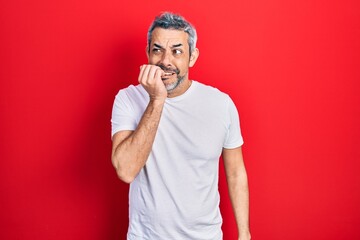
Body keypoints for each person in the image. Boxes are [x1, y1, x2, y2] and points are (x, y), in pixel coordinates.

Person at [111, 12, 251, 240]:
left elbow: (236, 172)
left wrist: (244, 234)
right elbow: (126, 170)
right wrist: (157, 99)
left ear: (192, 57)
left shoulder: (221, 104)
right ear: (148, 53)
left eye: (177, 51)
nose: (166, 61)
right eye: (157, 50)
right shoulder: (128, 99)